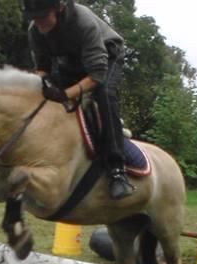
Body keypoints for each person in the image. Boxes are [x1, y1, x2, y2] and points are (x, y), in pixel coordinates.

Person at [24, 0, 135, 200]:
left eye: (43, 16)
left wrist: (65, 94)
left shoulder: (83, 23)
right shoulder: (35, 30)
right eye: (34, 18)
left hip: (107, 58)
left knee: (104, 95)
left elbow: (97, 75)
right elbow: (42, 67)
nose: (39, 23)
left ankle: (117, 171)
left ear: (59, 9)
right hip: (73, 63)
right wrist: (35, 86)